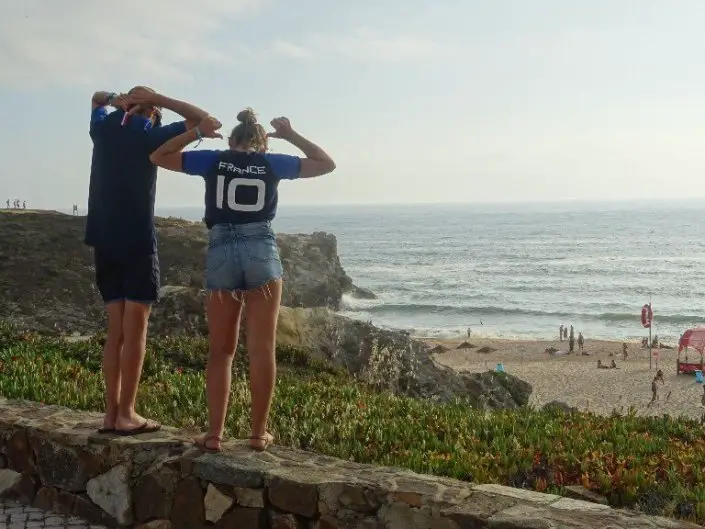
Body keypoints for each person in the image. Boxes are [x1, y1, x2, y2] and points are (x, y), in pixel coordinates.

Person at [149, 109, 336, 452]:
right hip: (260, 250)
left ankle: (215, 435)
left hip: (221, 250)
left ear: (232, 140)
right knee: (262, 348)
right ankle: (257, 434)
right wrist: (291, 135)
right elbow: (326, 163)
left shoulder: (213, 160)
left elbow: (158, 156)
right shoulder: (272, 163)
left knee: (221, 351)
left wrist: (197, 133)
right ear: (262, 143)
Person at [86, 86, 209, 436]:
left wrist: (115, 99)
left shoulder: (103, 128)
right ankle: (126, 413)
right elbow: (200, 119)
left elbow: (96, 98)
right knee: (135, 329)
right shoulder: (151, 136)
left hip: (103, 236)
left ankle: (111, 415)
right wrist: (159, 98)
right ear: (152, 113)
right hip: (137, 239)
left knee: (116, 332)